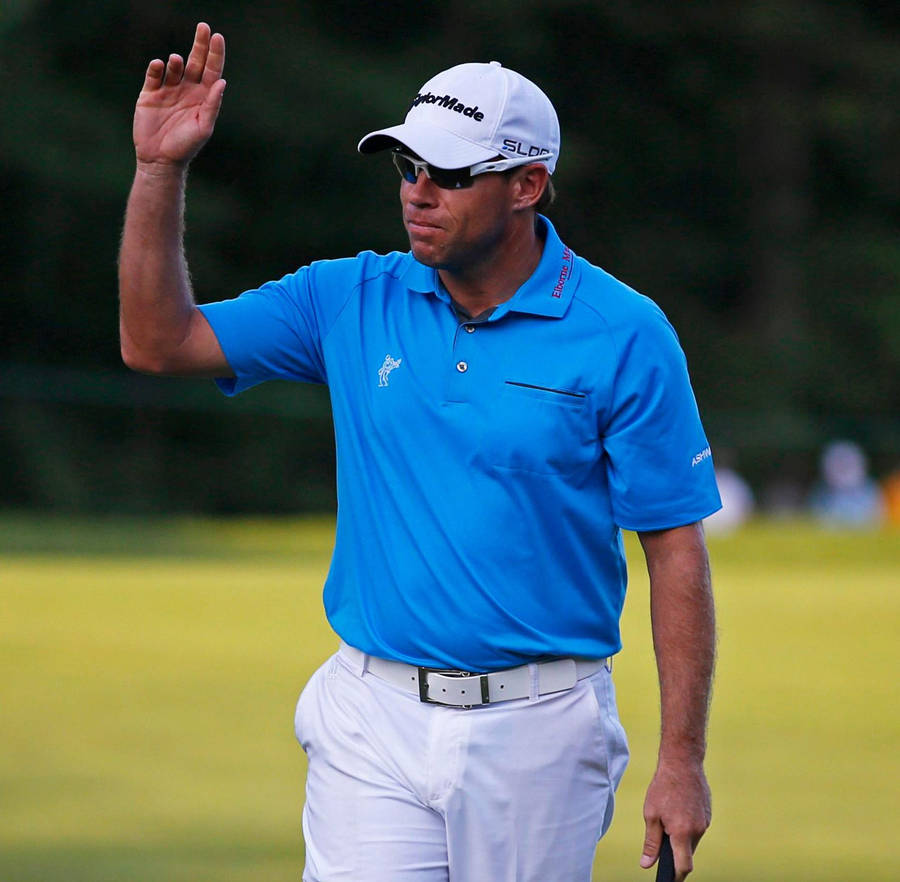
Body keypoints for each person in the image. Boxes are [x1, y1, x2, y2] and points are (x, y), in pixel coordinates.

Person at [119, 22, 721, 882]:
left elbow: (675, 547)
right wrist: (158, 170)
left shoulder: (624, 332)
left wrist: (682, 759)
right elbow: (157, 342)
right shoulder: (348, 296)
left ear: (527, 185)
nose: (418, 192)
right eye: (407, 167)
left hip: (540, 730)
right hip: (370, 716)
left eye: (450, 173)